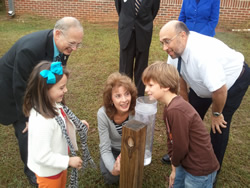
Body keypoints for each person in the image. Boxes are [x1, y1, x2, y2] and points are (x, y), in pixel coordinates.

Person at [160, 20, 250, 181]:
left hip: (233, 81)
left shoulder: (201, 54)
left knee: (219, 125)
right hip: (203, 83)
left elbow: (219, 90)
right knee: (189, 116)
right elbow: (179, 77)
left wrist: (216, 114)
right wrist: (185, 103)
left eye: (167, 41)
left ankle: (212, 169)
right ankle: (183, 153)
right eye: (162, 43)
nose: (164, 48)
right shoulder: (174, 51)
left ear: (182, 35)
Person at [0, 17, 83, 185]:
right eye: (72, 43)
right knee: (28, 130)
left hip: (31, 85)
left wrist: (60, 108)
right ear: (58, 34)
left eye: (78, 44)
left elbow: (56, 78)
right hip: (11, 88)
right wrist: (30, 116)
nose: (74, 48)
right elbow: (20, 87)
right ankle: (34, 172)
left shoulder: (62, 46)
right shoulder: (30, 50)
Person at [142, 61, 220, 188]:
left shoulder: (176, 110)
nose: (146, 90)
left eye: (150, 85)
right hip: (183, 164)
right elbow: (172, 140)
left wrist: (175, 162)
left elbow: (181, 146)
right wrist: (174, 169)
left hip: (199, 170)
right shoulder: (169, 108)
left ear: (166, 86)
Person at [162, 0, 220, 165]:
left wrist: (194, 39)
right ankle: (183, 147)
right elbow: (181, 20)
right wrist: (182, 39)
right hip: (183, 43)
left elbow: (212, 22)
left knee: (219, 121)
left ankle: (213, 162)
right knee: (191, 110)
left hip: (201, 44)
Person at [23, 61, 94, 187]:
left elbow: (61, 123)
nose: (65, 90)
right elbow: (42, 156)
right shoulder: (43, 121)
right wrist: (68, 160)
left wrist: (76, 124)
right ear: (46, 90)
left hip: (58, 166)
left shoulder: (51, 104)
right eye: (61, 88)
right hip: (49, 173)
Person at [97, 72, 137, 184]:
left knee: (132, 174)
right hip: (113, 149)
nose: (124, 100)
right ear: (110, 99)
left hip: (132, 148)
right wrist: (113, 169)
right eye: (118, 96)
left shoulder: (136, 110)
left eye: (127, 94)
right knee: (112, 177)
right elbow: (105, 147)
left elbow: (141, 140)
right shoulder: (102, 114)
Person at [114, 0, 160, 96]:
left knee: (141, 68)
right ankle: (125, 94)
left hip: (144, 32)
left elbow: (154, 11)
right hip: (126, 31)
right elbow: (119, 7)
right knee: (125, 68)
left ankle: (139, 97)